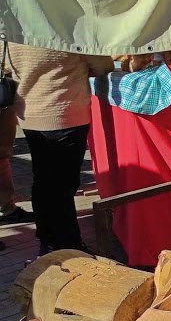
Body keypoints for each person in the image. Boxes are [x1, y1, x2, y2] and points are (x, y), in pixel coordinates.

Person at [5, 43, 113, 255]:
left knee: (44, 182)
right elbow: (103, 65)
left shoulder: (13, 30)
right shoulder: (65, 29)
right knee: (62, 187)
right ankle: (67, 245)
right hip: (65, 113)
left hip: (30, 115)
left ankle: (48, 239)